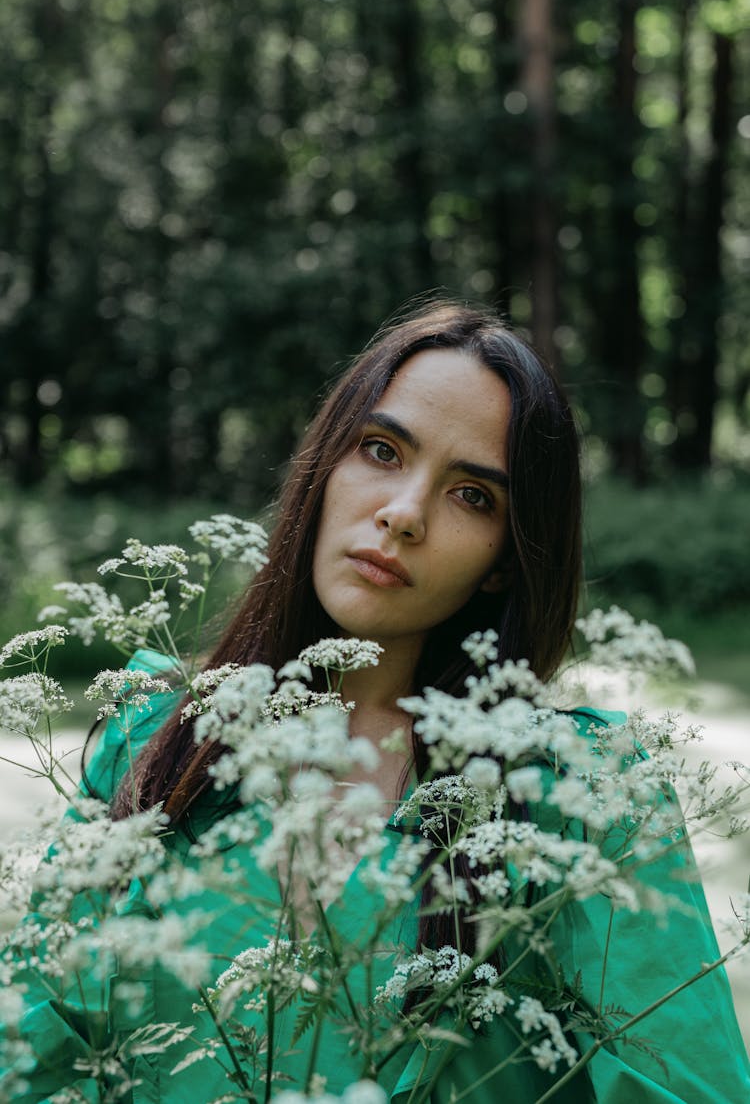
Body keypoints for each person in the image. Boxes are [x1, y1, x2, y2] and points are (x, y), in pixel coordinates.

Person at [3, 299, 749, 1103]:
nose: (403, 513)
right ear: (326, 463)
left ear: (505, 560)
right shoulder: (152, 740)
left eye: (473, 496)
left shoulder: (582, 797)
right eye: (382, 449)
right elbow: (36, 1058)